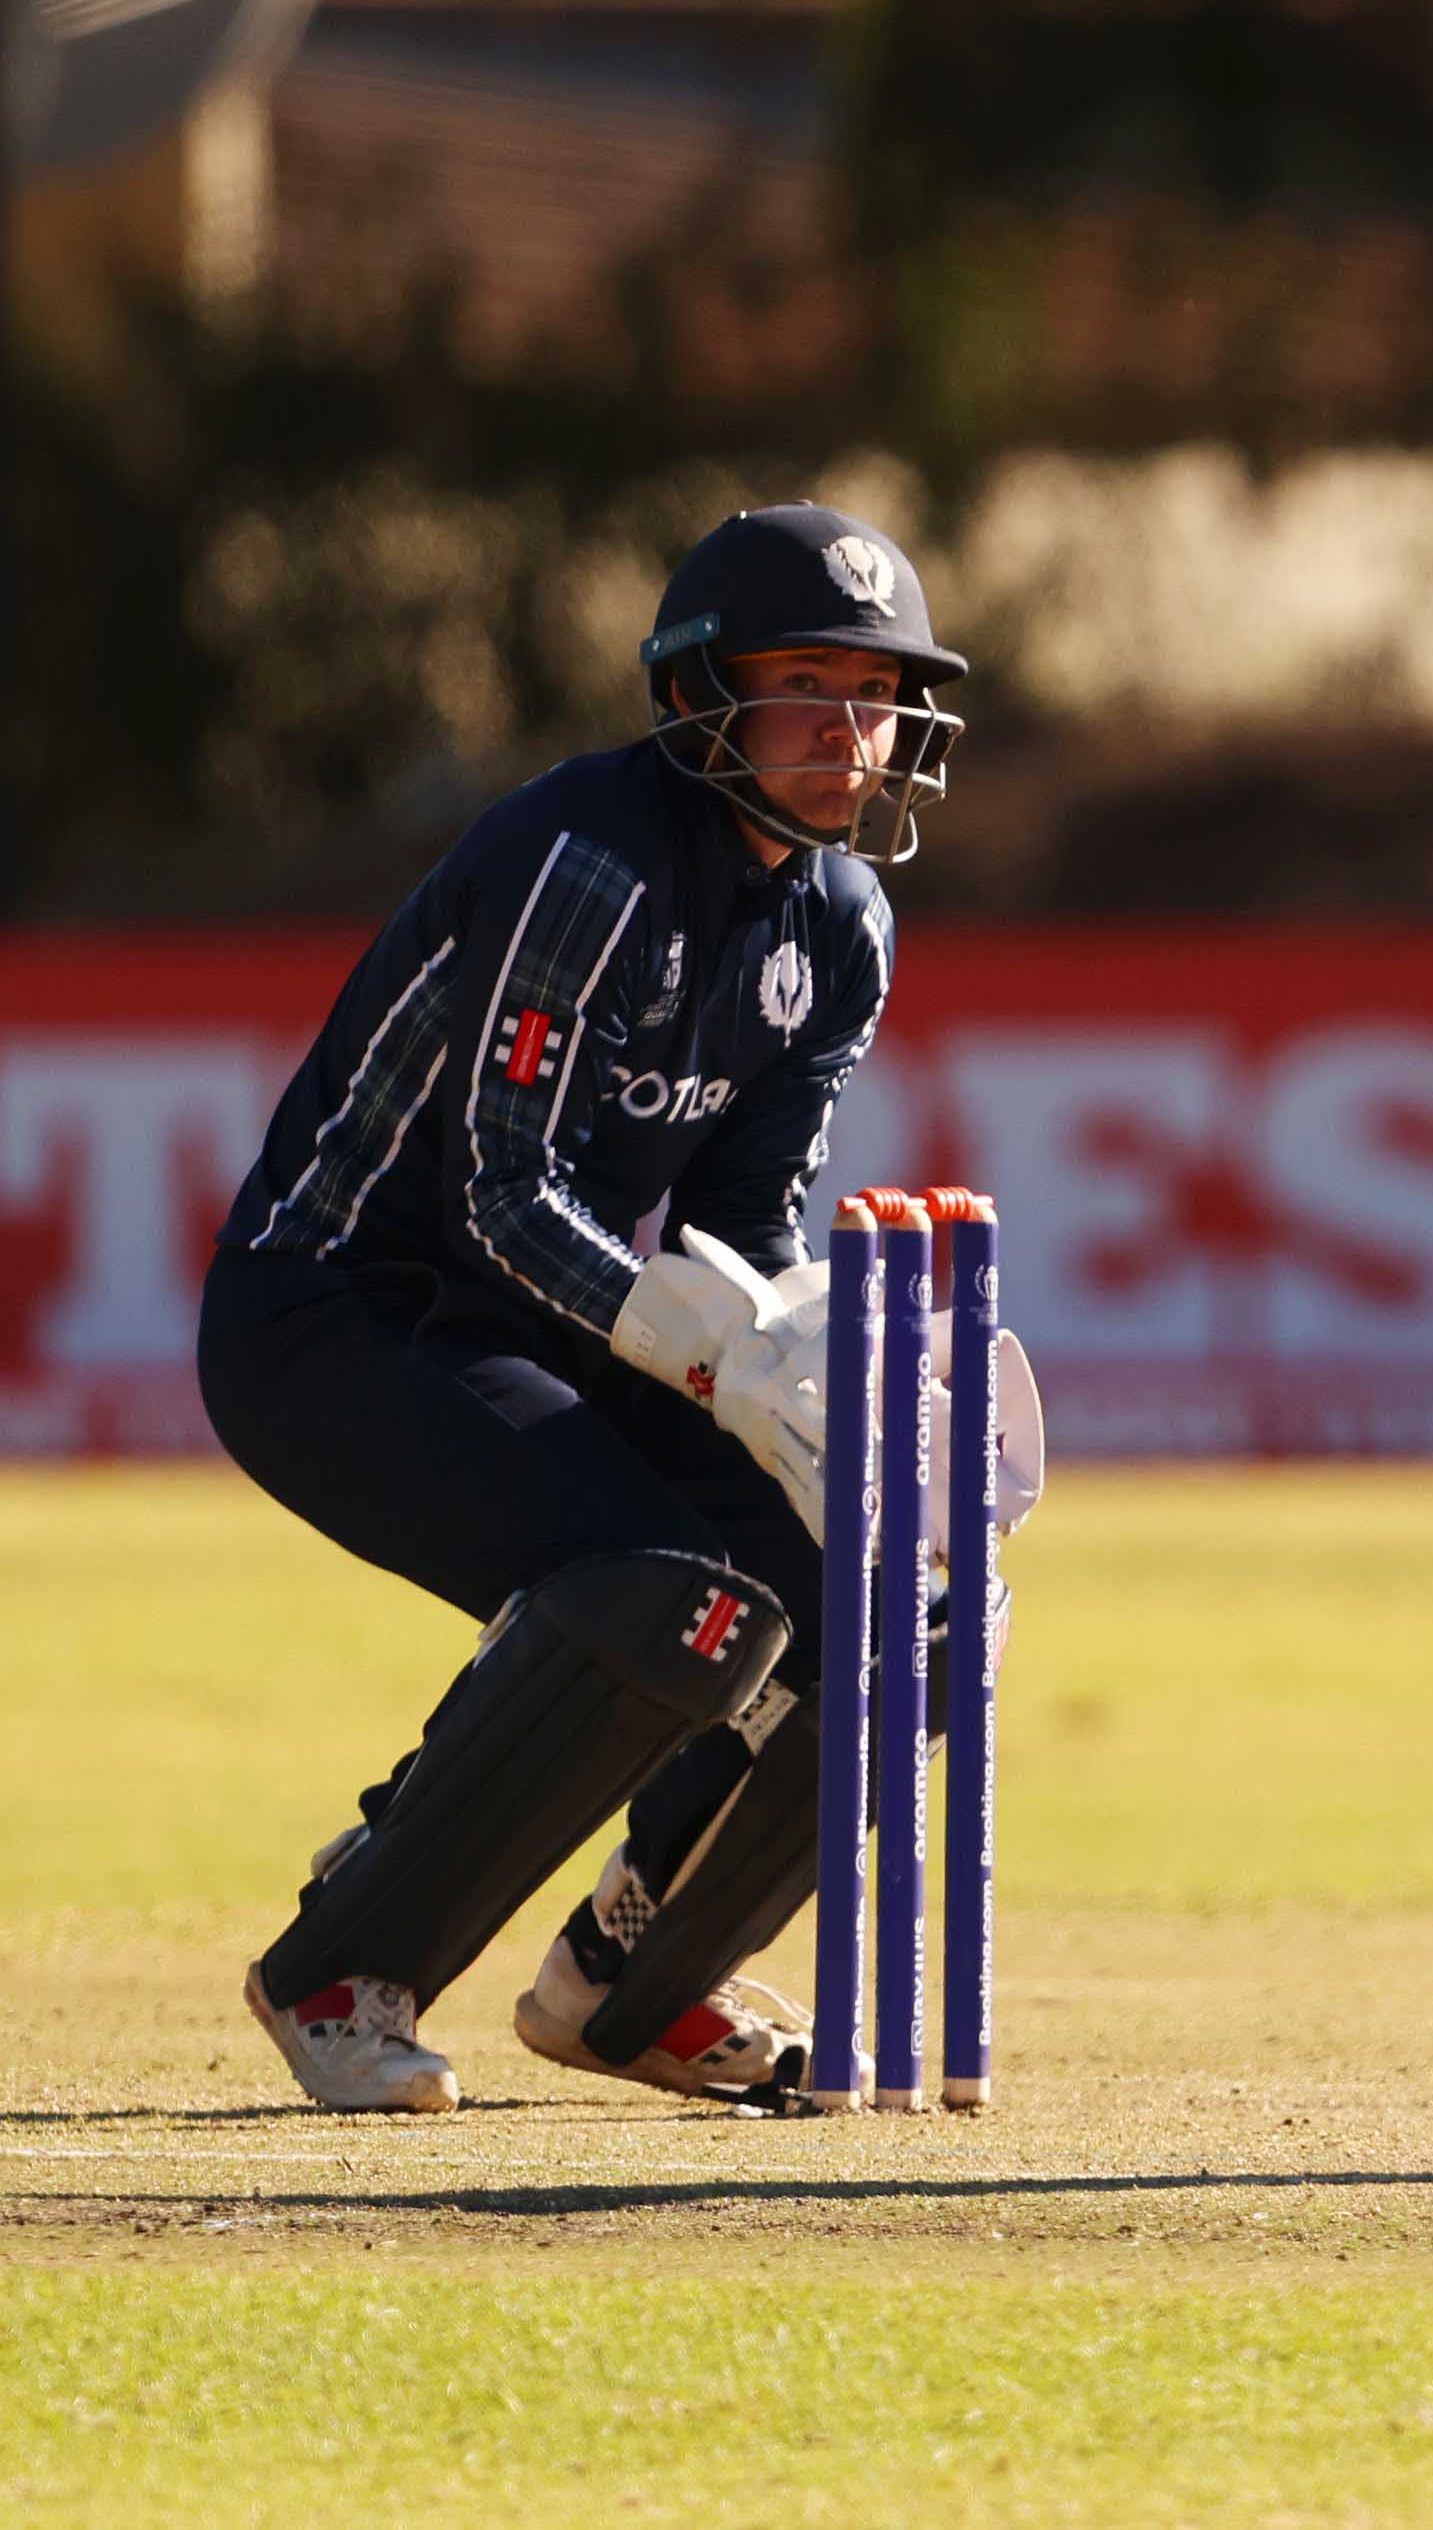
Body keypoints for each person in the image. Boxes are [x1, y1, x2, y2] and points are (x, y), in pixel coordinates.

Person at [202, 503, 963, 2111]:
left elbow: (738, 1214)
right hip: (334, 1306)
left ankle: (630, 1982)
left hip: (547, 1320)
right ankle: (345, 1959)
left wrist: (802, 1373)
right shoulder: (590, 857)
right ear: (700, 696)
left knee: (864, 1607)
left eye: (878, 691)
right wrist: (704, 1361)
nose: (852, 729)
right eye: (807, 682)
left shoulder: (840, 926)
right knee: (659, 1593)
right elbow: (496, 1191)